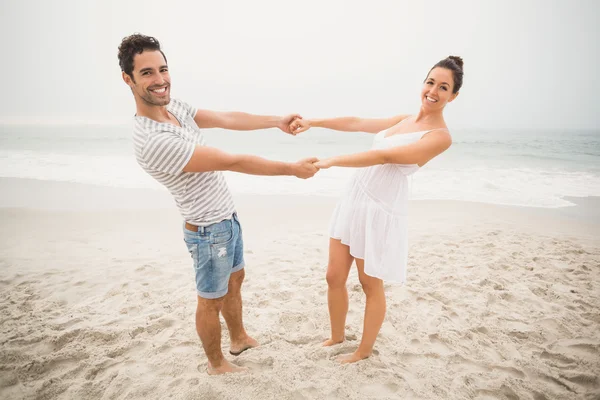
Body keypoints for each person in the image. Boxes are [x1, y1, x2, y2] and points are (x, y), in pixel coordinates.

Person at [118, 34, 319, 375]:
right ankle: (216, 364)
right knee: (209, 300)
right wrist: (291, 170)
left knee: (236, 281)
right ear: (129, 79)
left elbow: (226, 118)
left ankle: (238, 337)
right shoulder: (153, 139)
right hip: (208, 231)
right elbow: (232, 161)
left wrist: (276, 121)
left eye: (163, 69)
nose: (160, 80)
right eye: (147, 73)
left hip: (226, 219)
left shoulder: (174, 109)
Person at [289, 56, 463, 363]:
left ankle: (363, 350)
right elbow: (356, 123)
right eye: (430, 82)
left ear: (453, 96)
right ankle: (337, 335)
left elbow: (385, 156)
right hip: (354, 198)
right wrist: (313, 122)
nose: (434, 90)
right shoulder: (403, 119)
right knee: (334, 275)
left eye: (444, 87)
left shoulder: (440, 137)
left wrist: (331, 161)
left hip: (380, 208)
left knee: (370, 283)